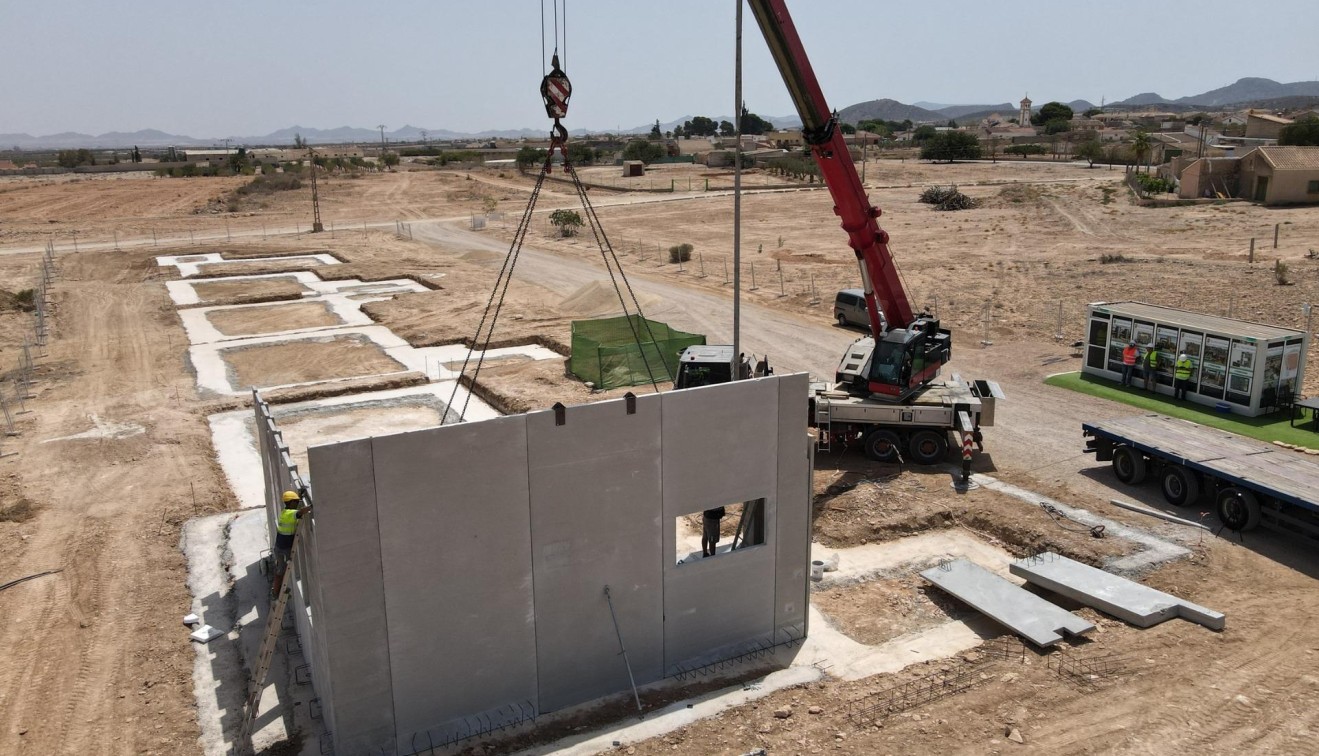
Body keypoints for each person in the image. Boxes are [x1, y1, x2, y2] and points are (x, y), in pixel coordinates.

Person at [271, 489, 312, 597]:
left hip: (278, 546)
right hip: (286, 548)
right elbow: (300, 511)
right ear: (292, 502)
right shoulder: (292, 514)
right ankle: (276, 593)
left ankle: (276, 591)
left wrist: (299, 495)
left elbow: (296, 510)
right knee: (282, 570)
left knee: (280, 570)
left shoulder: (285, 512)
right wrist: (313, 505)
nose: (298, 503)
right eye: (296, 501)